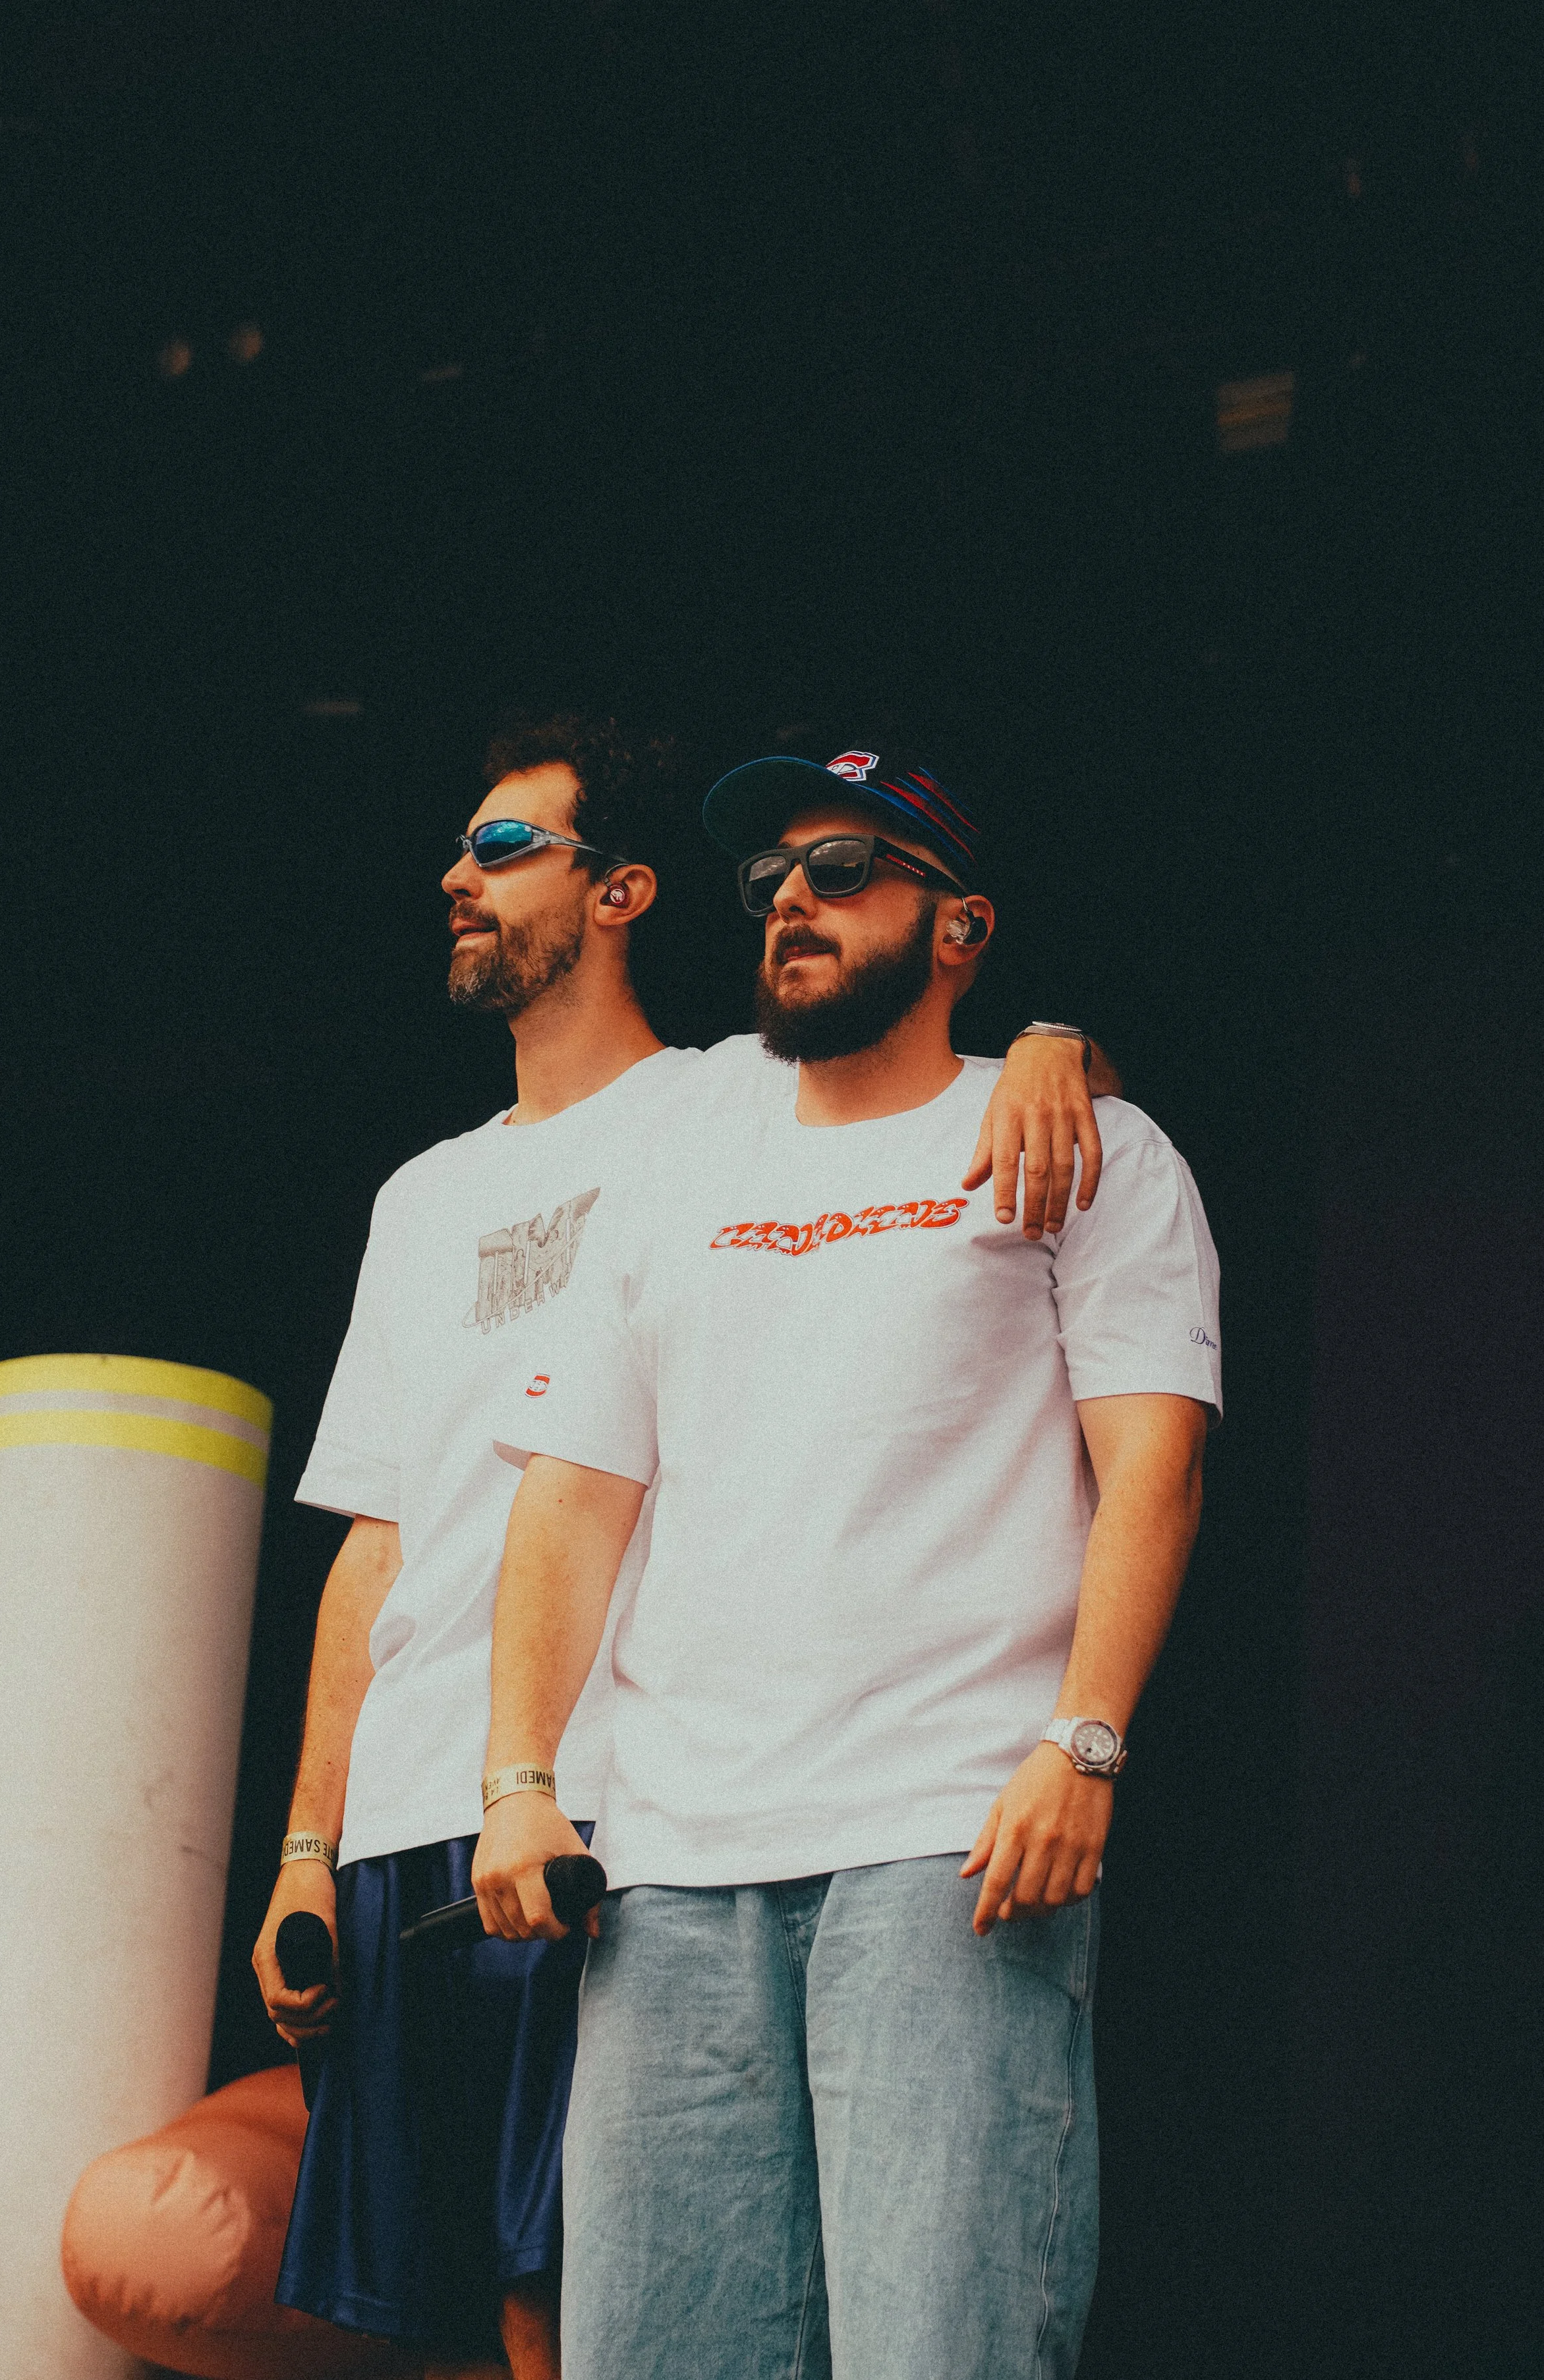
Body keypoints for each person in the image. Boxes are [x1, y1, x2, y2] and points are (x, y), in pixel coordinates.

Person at [251, 718, 1118, 2380]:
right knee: (452, 2309)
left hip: (625, 1810)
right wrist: (307, 1844)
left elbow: (952, 1102)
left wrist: (1061, 1038)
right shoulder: (418, 1194)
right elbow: (380, 1530)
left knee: (595, 2296)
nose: (456, 875)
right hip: (426, 1808)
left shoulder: (735, 1099)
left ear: (625, 891)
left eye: (505, 849)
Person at [473, 743, 1221, 2380]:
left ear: (959, 927)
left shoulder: (1081, 1144)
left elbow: (1148, 1463)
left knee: (936, 2345)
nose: (791, 900)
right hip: (665, 1871)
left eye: (842, 870)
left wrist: (1082, 1738)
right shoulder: (678, 1161)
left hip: (945, 1844)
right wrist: (520, 1776)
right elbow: (570, 1498)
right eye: (768, 883)